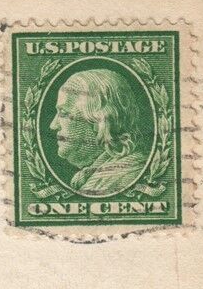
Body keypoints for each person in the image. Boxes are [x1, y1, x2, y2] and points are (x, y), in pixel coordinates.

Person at [49, 67, 151, 196]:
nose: (53, 125)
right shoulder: (93, 177)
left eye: (63, 113)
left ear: (100, 120)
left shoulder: (125, 176)